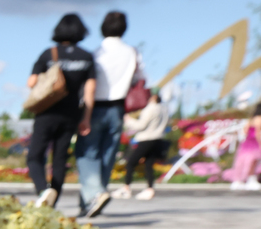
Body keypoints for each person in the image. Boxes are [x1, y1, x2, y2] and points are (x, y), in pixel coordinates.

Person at [76, 11, 144, 218]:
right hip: (117, 109)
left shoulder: (96, 53)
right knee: (107, 155)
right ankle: (90, 202)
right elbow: (141, 78)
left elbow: (85, 85)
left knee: (87, 154)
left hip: (94, 107)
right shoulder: (132, 52)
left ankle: (95, 195)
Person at [26, 13, 97, 208]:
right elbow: (90, 92)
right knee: (59, 159)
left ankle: (43, 191)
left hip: (47, 112)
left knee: (35, 156)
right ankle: (53, 202)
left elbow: (31, 82)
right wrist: (86, 119)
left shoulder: (49, 54)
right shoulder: (87, 57)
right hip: (71, 114)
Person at [113, 90, 172, 199]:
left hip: (146, 139)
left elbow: (141, 125)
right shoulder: (164, 109)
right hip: (158, 139)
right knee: (149, 164)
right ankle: (150, 189)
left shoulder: (150, 109)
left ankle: (126, 188)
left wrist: (128, 120)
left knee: (131, 163)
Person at [222, 102, 261, 191]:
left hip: (246, 142)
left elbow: (245, 130)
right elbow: (258, 132)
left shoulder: (250, 119)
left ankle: (239, 181)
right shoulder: (260, 118)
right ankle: (250, 180)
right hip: (254, 143)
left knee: (242, 162)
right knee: (252, 162)